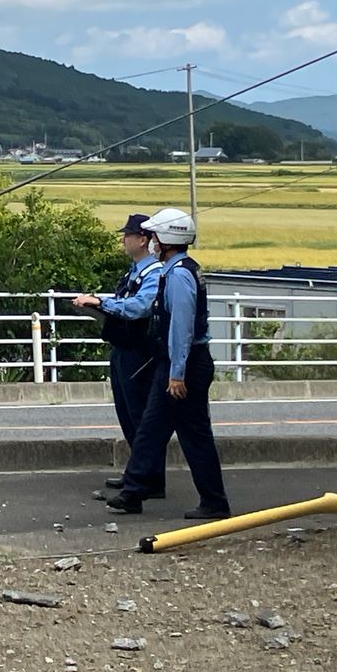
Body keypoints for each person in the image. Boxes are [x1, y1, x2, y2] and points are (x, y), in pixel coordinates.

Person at [105, 208, 231, 519]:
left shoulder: (178, 275)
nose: (152, 243)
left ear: (166, 239)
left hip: (183, 364)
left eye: (155, 237)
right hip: (180, 362)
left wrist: (176, 374)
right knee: (153, 428)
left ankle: (212, 502)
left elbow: (181, 328)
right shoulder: (180, 269)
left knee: (189, 434)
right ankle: (135, 491)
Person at [72, 214, 164, 497]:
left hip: (140, 351)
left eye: (128, 235)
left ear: (143, 239)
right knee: (126, 412)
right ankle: (138, 473)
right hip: (123, 346)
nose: (124, 240)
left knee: (140, 415)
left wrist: (100, 303)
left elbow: (138, 307)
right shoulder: (134, 271)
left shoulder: (154, 272)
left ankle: (148, 480)